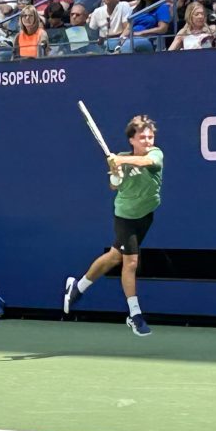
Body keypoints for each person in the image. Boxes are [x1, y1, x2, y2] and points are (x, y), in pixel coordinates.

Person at [64, 114, 164, 337]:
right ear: (132, 140)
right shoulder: (121, 158)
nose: (148, 141)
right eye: (142, 138)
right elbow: (114, 185)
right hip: (125, 217)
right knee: (130, 263)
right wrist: (117, 174)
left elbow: (148, 162)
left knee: (113, 257)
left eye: (150, 137)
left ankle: (77, 288)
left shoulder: (155, 154)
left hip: (146, 216)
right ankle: (135, 315)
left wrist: (121, 162)